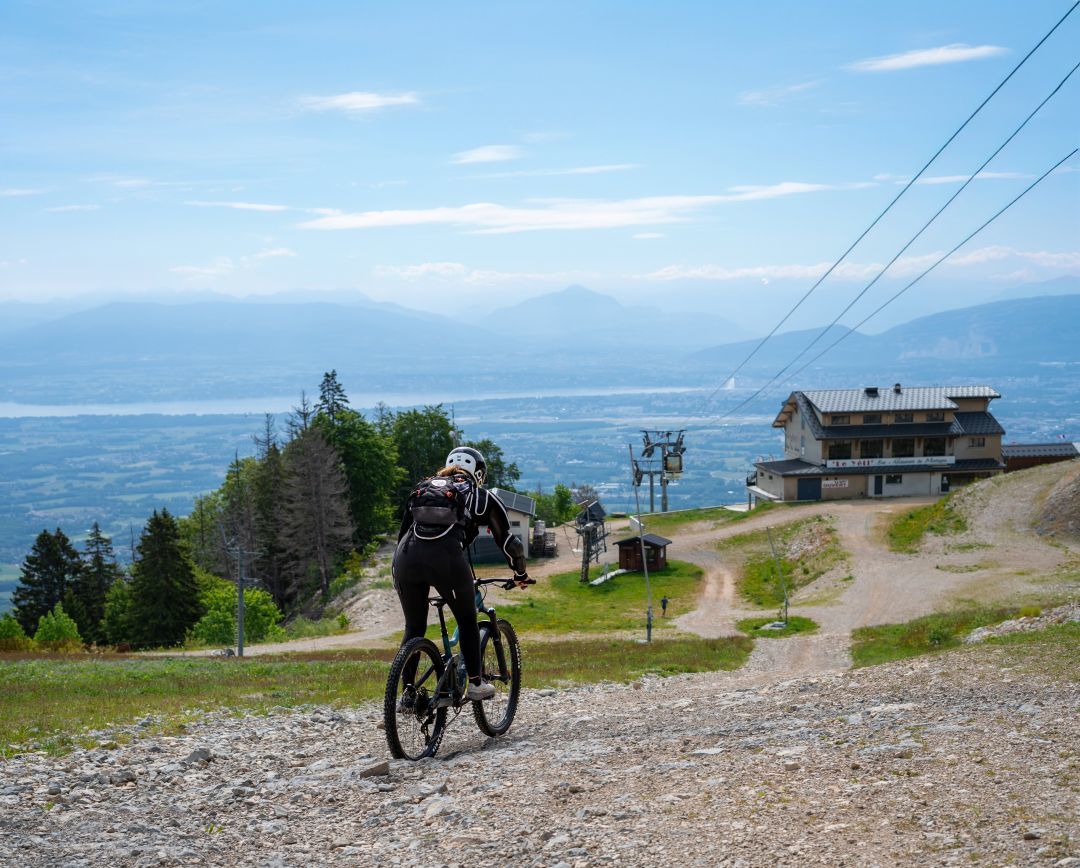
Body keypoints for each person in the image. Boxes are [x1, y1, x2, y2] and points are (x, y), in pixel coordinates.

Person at [393, 446, 529, 701]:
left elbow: (403, 534)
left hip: (405, 559)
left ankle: (407, 693)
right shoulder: (482, 496)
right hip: (445, 559)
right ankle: (476, 684)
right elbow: (510, 543)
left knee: (414, 627)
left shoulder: (422, 487)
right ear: (478, 474)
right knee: (467, 619)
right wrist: (520, 573)